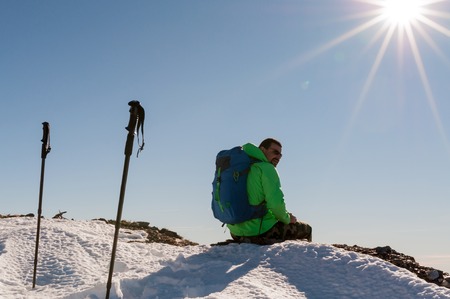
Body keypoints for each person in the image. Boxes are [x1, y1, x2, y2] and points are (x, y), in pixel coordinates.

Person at [227, 138, 312, 244]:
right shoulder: (267, 168)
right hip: (259, 231)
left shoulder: (239, 167)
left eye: (281, 155)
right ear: (262, 149)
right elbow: (275, 204)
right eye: (275, 152)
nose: (278, 157)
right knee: (307, 229)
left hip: (235, 232)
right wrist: (287, 218)